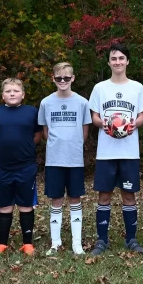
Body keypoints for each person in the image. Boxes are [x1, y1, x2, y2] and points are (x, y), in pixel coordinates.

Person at [88, 43, 143, 255]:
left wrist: (133, 125)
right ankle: (101, 240)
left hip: (129, 151)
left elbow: (142, 115)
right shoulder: (100, 88)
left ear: (128, 61)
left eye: (121, 58)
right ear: (109, 62)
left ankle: (131, 239)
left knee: (129, 195)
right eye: (114, 59)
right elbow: (94, 115)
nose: (118, 62)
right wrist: (102, 123)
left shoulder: (137, 87)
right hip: (106, 152)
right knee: (104, 196)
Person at [0, 78, 43, 255]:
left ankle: (27, 243)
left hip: (25, 166)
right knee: (5, 205)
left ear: (23, 94)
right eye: (8, 91)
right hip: (2, 167)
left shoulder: (32, 112)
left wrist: (25, 148)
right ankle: (2, 243)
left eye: (16, 91)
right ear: (3, 95)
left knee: (26, 205)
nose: (12, 94)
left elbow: (38, 134)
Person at [38, 62, 91, 255]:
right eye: (59, 78)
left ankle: (77, 243)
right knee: (56, 199)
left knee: (75, 198)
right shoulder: (46, 102)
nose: (63, 81)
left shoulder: (82, 102)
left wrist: (73, 145)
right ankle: (55, 242)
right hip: (54, 159)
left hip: (74, 159)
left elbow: (84, 132)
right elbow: (45, 131)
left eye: (66, 78)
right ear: (53, 79)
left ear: (73, 79)